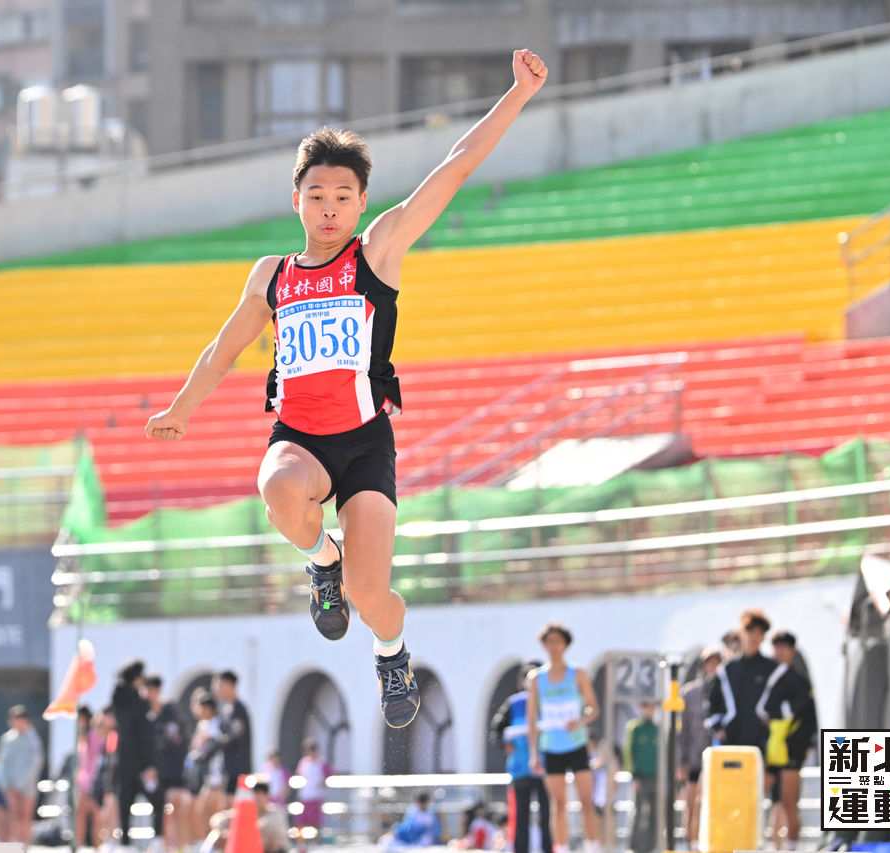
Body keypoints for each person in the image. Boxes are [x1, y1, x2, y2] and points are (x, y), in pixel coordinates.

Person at [145, 49, 550, 729]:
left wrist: (518, 93)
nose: (329, 210)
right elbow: (223, 350)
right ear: (296, 200)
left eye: (342, 198)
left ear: (361, 202)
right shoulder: (272, 275)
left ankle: (393, 654)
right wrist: (180, 409)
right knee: (277, 490)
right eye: (316, 196)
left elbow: (456, 165)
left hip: (364, 444)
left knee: (371, 597)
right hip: (299, 439)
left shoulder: (377, 251)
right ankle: (320, 560)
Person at [527, 622, 601, 853]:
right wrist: (533, 754)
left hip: (577, 744)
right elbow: (531, 718)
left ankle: (593, 847)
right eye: (550, 642)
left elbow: (593, 708)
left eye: (558, 641)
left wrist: (579, 721)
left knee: (586, 801)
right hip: (551, 747)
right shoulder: (536, 678)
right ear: (544, 645)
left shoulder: (578, 674)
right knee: (558, 804)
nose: (554, 646)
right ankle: (561, 848)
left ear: (566, 644)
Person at [757, 630, 817, 851]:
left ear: (792, 651)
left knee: (788, 801)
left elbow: (807, 717)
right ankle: (772, 844)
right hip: (771, 749)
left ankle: (791, 846)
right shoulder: (767, 676)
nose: (779, 652)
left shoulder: (798, 682)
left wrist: (799, 745)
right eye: (776, 647)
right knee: (761, 795)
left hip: (791, 750)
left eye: (784, 648)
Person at [491, 662, 551, 853]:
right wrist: (505, 744)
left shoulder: (547, 702)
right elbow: (496, 730)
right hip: (520, 769)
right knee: (520, 817)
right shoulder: (513, 703)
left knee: (548, 816)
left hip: (545, 769)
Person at [706, 609, 777, 753]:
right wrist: (718, 728)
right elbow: (711, 704)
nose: (754, 637)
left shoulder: (771, 669)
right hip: (729, 745)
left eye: (759, 633)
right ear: (741, 633)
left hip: (761, 746)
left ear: (763, 638)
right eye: (751, 632)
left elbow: (794, 697)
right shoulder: (727, 669)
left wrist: (774, 717)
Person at [111, 659, 160, 846]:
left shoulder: (118, 700)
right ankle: (158, 841)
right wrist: (150, 764)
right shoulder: (139, 704)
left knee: (124, 806)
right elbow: (145, 737)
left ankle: (124, 844)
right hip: (140, 764)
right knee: (158, 802)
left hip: (123, 761)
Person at [678, 646, 722, 849]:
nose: (713, 667)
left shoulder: (723, 690)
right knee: (692, 802)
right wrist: (682, 761)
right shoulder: (690, 693)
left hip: (716, 756)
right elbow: (682, 730)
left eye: (717, 663)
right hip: (694, 757)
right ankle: (691, 843)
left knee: (710, 803)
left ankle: (707, 843)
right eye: (710, 663)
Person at [145, 673, 191, 850]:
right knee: (160, 809)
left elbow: (179, 741)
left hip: (175, 771)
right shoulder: (147, 717)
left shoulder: (171, 713)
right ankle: (162, 844)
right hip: (158, 772)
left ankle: (181, 846)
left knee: (176, 808)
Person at [0, 704, 43, 845]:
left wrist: (20, 783)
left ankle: (25, 845)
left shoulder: (33, 739)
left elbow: (35, 763)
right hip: (10, 786)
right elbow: (2, 763)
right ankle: (15, 844)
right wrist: (6, 784)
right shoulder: (7, 739)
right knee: (13, 817)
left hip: (27, 785)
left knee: (26, 817)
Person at [186, 692, 226, 843]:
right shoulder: (202, 725)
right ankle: (206, 844)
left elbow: (213, 750)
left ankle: (211, 845)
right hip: (202, 776)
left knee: (210, 813)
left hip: (215, 775)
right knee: (200, 812)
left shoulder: (217, 725)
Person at [623, 700, 659, 853]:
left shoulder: (658, 728)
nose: (651, 710)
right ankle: (635, 847)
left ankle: (651, 846)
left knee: (655, 813)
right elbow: (628, 752)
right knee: (638, 812)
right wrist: (633, 775)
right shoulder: (634, 727)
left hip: (656, 777)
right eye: (648, 707)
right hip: (640, 777)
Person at [213, 670, 253, 807]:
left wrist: (216, 742)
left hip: (238, 769)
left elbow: (236, 738)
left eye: (220, 685)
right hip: (229, 767)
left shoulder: (239, 710)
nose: (217, 689)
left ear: (229, 685)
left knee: (235, 808)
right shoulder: (227, 709)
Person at [74, 705, 106, 851]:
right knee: (83, 816)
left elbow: (95, 763)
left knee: (95, 817)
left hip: (94, 784)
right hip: (85, 783)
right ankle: (79, 846)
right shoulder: (86, 738)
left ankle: (95, 847)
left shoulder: (95, 738)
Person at [294, 738, 332, 840]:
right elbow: (299, 774)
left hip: (316, 795)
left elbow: (329, 774)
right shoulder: (304, 762)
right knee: (301, 821)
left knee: (316, 821)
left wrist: (322, 783)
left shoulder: (321, 762)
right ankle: (301, 841)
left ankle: (316, 841)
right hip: (305, 795)